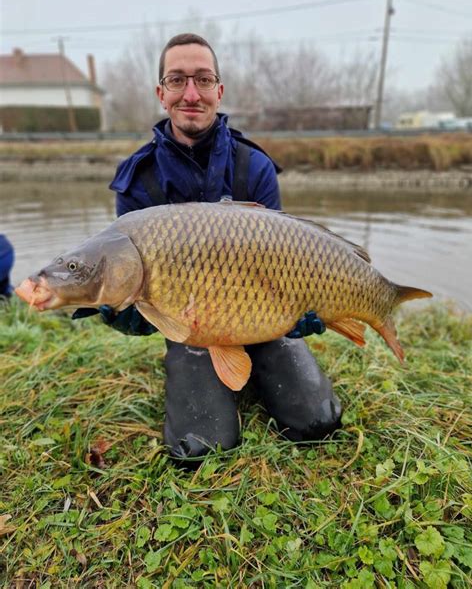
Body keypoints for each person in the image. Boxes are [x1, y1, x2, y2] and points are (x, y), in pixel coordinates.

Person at [74, 33, 342, 463]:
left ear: (220, 90)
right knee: (200, 448)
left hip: (263, 316)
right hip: (191, 328)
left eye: (203, 79)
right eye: (177, 81)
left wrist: (302, 311)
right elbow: (131, 282)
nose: (191, 94)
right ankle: (219, 376)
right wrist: (128, 313)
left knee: (318, 422)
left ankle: (260, 364)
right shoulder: (137, 181)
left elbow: (289, 260)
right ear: (161, 94)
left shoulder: (254, 167)